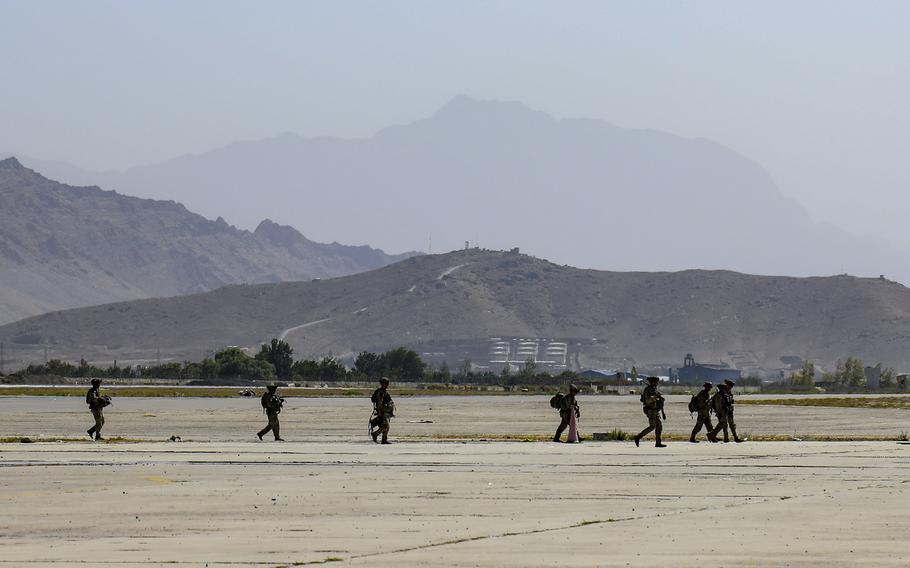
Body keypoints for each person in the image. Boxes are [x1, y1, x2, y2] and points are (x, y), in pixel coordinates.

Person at [634, 376, 666, 448]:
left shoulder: (654, 389)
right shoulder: (648, 390)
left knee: (659, 427)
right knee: (652, 426)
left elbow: (659, 401)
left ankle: (658, 443)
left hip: (655, 410)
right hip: (650, 410)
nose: (657, 383)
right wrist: (655, 397)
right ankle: (638, 437)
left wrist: (663, 412)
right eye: (656, 382)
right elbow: (648, 400)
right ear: (653, 382)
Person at [370, 377, 394, 444]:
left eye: (387, 383)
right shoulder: (381, 392)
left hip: (386, 412)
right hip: (383, 412)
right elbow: (379, 403)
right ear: (382, 384)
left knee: (386, 426)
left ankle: (384, 439)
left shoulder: (384, 391)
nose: (387, 385)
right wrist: (380, 412)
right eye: (386, 383)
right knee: (386, 426)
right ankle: (375, 434)